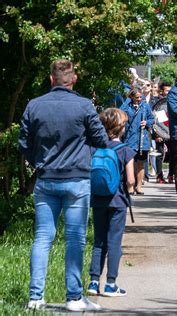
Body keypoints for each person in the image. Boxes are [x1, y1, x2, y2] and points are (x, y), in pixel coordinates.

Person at [19, 59, 108, 311]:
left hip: (46, 178)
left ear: (51, 79)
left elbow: (24, 142)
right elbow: (101, 139)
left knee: (43, 237)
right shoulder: (83, 105)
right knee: (75, 239)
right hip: (77, 179)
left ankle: (36, 297)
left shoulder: (34, 105)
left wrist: (38, 161)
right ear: (74, 79)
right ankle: (74, 297)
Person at [88, 108, 135, 298]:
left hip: (98, 200)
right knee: (114, 242)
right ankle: (110, 284)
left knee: (99, 241)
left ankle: (93, 282)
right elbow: (131, 180)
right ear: (122, 128)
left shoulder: (95, 149)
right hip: (117, 201)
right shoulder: (125, 151)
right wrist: (129, 189)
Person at [120, 89, 154, 195]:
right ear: (132, 97)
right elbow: (120, 113)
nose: (139, 99)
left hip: (142, 140)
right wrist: (128, 101)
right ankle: (130, 186)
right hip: (130, 139)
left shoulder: (145, 106)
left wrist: (147, 122)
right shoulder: (127, 107)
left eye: (140, 97)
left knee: (141, 164)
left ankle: (139, 187)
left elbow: (152, 119)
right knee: (130, 163)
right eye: (137, 97)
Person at [151, 83, 171, 184]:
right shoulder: (157, 103)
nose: (169, 93)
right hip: (159, 132)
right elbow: (155, 121)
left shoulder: (172, 102)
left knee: (173, 153)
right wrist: (157, 135)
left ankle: (171, 175)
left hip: (170, 132)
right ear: (162, 91)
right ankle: (159, 176)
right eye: (167, 91)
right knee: (160, 153)